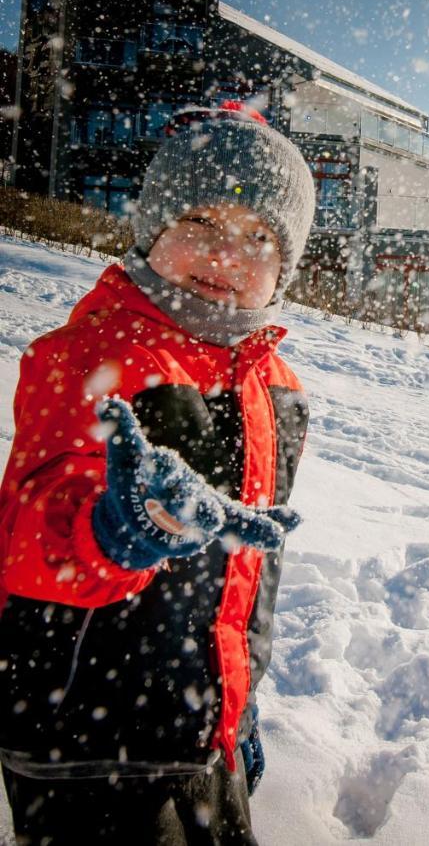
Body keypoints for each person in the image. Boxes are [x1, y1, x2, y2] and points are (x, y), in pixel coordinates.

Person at [0, 101, 316, 843]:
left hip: (211, 727)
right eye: (200, 223)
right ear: (153, 229)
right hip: (88, 738)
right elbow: (28, 537)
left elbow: (243, 582)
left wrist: (236, 708)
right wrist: (117, 531)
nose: (225, 256)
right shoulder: (94, 357)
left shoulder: (278, 387)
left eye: (258, 237)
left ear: (285, 268)